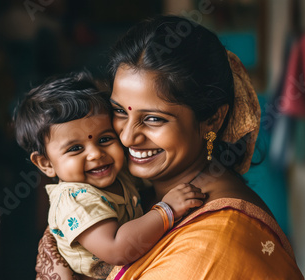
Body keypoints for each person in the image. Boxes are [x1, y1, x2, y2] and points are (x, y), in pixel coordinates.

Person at [35, 15, 304, 279]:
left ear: (212, 119)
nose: (127, 137)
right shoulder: (134, 195)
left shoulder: (214, 243)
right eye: (119, 111)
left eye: (153, 119)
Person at [13, 71, 205, 279]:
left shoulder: (118, 175)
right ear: (46, 163)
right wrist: (167, 210)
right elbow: (116, 248)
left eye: (104, 139)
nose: (96, 154)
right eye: (76, 148)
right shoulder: (74, 199)